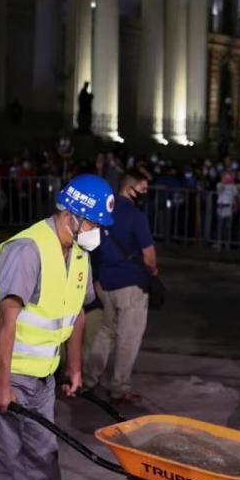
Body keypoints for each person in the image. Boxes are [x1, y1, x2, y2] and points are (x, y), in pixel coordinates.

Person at [0, 174, 114, 480]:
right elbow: (7, 319)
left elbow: (77, 312)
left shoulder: (78, 253)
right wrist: (1, 385)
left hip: (41, 379)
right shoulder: (27, 249)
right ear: (71, 216)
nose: (97, 231)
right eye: (93, 222)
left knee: (41, 460)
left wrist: (74, 366)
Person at [85, 169, 157, 405]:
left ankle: (88, 379)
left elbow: (93, 246)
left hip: (106, 281)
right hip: (131, 284)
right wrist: (153, 272)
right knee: (129, 336)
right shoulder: (137, 216)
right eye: (143, 189)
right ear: (130, 188)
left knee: (106, 331)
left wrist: (96, 278)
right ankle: (119, 387)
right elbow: (149, 256)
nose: (145, 194)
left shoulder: (105, 209)